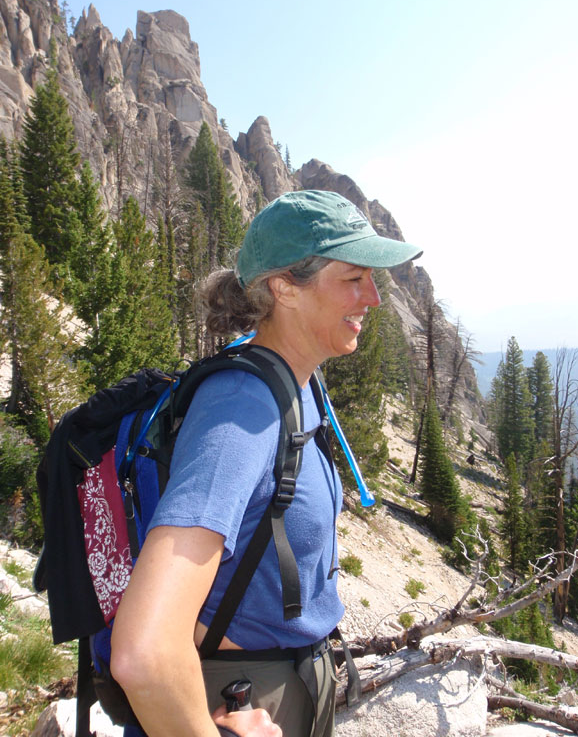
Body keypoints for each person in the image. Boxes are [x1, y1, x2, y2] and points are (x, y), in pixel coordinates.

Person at [110, 189, 422, 737]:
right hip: (241, 695)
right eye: (353, 278)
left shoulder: (299, 386)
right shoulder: (242, 410)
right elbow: (144, 651)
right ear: (284, 287)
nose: (372, 296)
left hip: (284, 683)